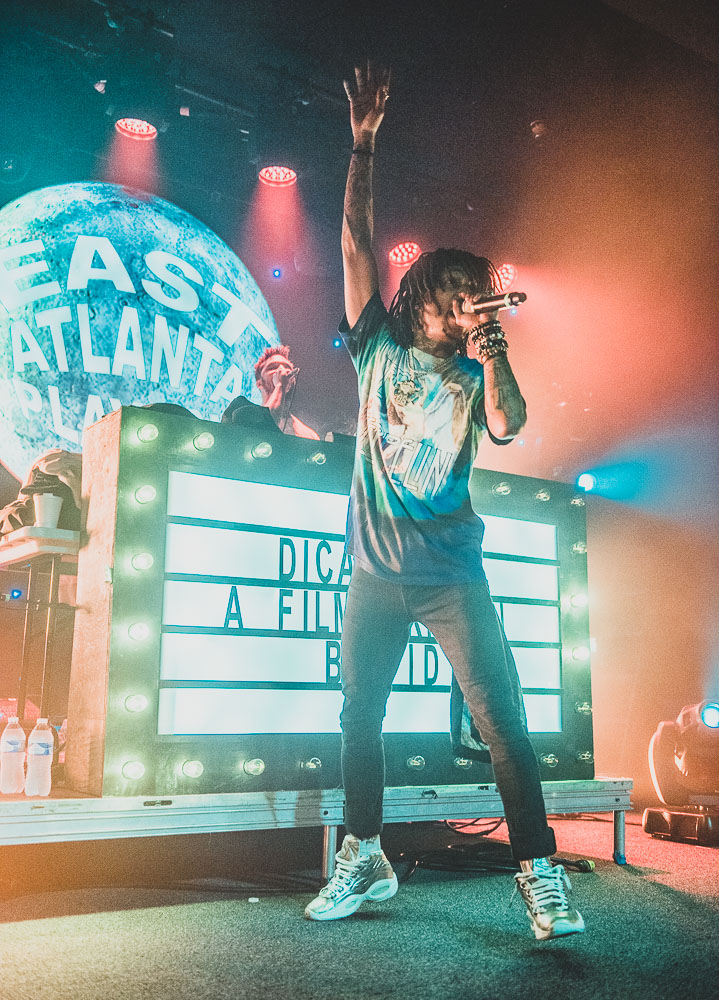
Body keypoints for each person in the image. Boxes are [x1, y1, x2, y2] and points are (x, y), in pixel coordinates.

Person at [304, 64, 584, 941]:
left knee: (503, 724)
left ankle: (537, 873)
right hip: (375, 574)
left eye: (481, 299)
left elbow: (509, 425)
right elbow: (354, 238)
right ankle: (365, 854)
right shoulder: (376, 346)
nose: (474, 306)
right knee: (359, 717)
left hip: (452, 575)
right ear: (430, 295)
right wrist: (362, 143)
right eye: (463, 295)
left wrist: (495, 351)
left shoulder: (475, 372)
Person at [254, 344, 319, 439]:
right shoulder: (249, 417)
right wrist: (280, 385)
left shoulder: (309, 435)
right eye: (273, 367)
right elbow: (264, 425)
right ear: (259, 383)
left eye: (287, 367)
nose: (282, 370)